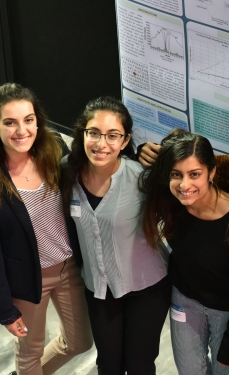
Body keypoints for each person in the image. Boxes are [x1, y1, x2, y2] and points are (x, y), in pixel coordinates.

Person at [0, 83, 93, 375]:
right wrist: (4, 309)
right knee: (29, 353)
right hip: (28, 278)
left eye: (28, 120)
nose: (22, 130)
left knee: (80, 342)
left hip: (69, 268)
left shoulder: (54, 148)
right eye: (10, 122)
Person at [61, 97, 170, 374]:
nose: (101, 144)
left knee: (139, 366)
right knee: (108, 364)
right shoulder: (66, 174)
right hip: (99, 289)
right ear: (82, 133)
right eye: (94, 133)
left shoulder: (142, 178)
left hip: (147, 288)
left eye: (113, 136)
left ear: (125, 141)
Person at [140, 130, 229, 375]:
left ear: (212, 172)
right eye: (176, 175)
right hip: (185, 302)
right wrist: (139, 152)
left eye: (194, 174)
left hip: (227, 311)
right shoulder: (170, 202)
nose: (185, 185)